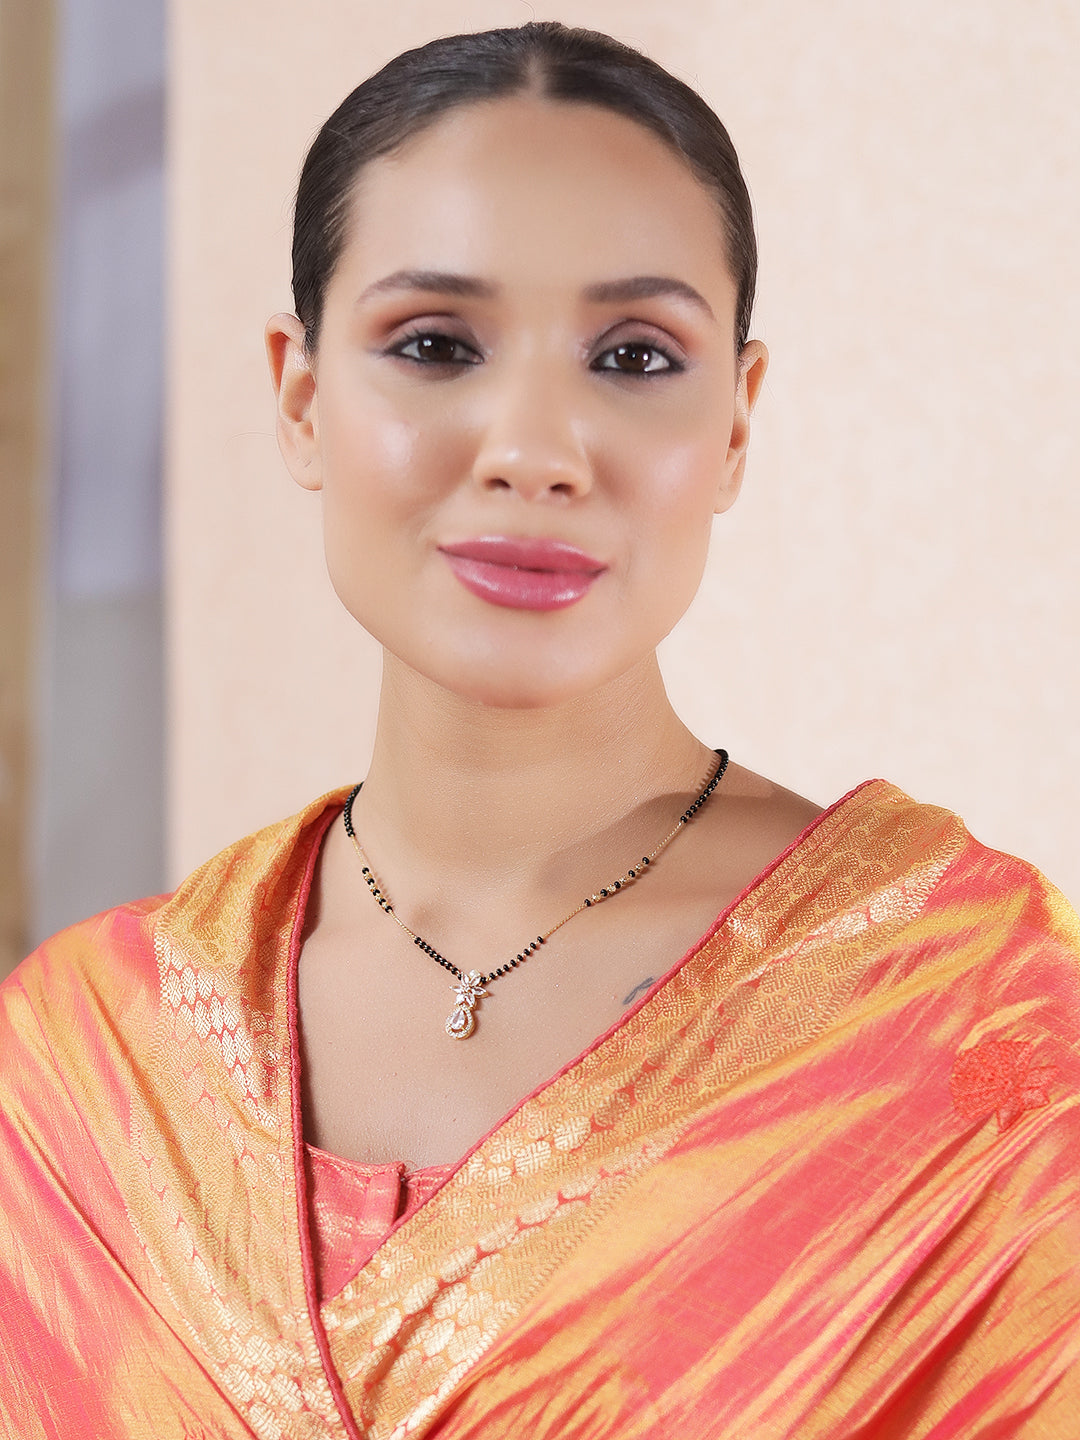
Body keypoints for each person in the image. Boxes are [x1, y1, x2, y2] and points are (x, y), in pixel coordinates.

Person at [1, 20, 1078, 1438]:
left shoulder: (968, 1014)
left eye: (634, 358)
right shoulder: (80, 1061)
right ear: (302, 394)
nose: (533, 448)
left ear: (738, 424)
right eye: (435, 343)